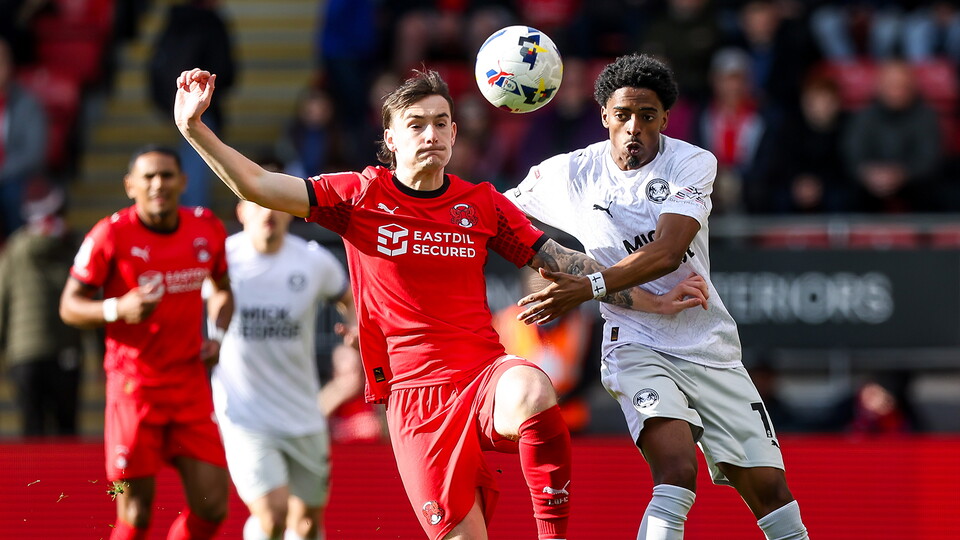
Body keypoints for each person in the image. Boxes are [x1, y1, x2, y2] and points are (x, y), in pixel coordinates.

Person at [174, 66, 708, 540]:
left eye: (441, 123)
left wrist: (650, 300)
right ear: (391, 138)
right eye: (416, 124)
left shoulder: (482, 203)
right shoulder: (359, 196)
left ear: (454, 133)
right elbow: (259, 186)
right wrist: (194, 129)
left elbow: (563, 262)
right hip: (414, 399)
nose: (431, 134)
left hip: (482, 374)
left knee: (533, 389)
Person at [506, 53, 810, 539]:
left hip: (708, 344)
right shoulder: (571, 173)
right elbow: (496, 217)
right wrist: (555, 261)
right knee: (676, 472)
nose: (634, 127)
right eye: (623, 115)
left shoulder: (691, 162)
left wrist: (589, 286)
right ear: (604, 116)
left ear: (665, 119)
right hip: (635, 344)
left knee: (772, 493)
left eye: (647, 116)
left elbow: (668, 252)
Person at [59, 145, 234, 540]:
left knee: (213, 507)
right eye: (148, 177)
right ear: (130, 186)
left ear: (183, 182)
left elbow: (223, 289)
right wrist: (116, 308)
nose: (158, 184)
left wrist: (218, 335)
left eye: (167, 175)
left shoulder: (206, 228)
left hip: (189, 385)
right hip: (134, 388)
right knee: (136, 515)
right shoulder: (110, 234)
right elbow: (69, 306)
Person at [212, 178, 356, 540]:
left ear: (290, 212)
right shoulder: (221, 259)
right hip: (244, 413)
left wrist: (355, 329)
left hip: (302, 410)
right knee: (273, 513)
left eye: (276, 204)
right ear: (241, 211)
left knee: (306, 524)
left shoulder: (313, 261)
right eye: (257, 204)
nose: (268, 213)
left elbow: (348, 297)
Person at [0, 180, 84, 436]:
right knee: (66, 431)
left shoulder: (15, 248)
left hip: (23, 355)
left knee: (32, 432)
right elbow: (90, 296)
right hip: (66, 350)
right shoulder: (74, 249)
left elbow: (2, 300)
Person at [148, 0, 236, 208]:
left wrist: (167, 102)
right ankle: (194, 219)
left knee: (190, 167)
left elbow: (156, 67)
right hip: (204, 109)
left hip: (176, 106)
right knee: (196, 172)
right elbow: (226, 69)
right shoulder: (212, 23)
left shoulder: (174, 22)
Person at [0, 35, 47, 239]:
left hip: (14, 179)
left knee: (12, 195)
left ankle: (17, 252)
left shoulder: (28, 104)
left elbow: (33, 154)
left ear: (9, 65)